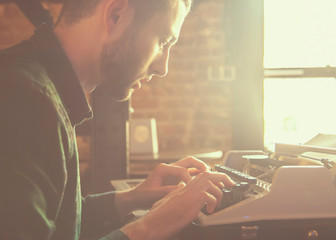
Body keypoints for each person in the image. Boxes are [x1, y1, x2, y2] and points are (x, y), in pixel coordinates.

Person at [0, 0, 234, 239]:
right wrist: (152, 225)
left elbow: (57, 223)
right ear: (116, 15)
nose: (163, 67)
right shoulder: (24, 97)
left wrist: (133, 197)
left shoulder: (35, 87)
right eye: (163, 42)